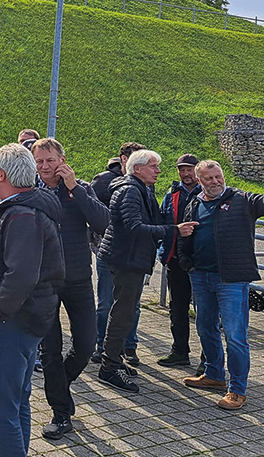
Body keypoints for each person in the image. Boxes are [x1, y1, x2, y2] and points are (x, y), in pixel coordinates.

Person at [0, 143, 64, 457]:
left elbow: (21, 275)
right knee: (15, 400)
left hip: (11, 323)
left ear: (2, 175)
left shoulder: (22, 214)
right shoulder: (23, 209)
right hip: (21, 320)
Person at [31, 138, 109, 441]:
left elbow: (103, 222)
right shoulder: (31, 191)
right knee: (50, 350)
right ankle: (61, 413)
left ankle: (59, 386)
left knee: (86, 345)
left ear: (62, 160)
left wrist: (75, 188)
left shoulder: (81, 189)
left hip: (78, 279)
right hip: (43, 283)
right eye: (39, 161)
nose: (45, 167)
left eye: (50, 160)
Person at [177, 160, 264, 410]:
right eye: (209, 178)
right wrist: (186, 261)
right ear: (199, 181)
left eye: (218, 176)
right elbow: (185, 235)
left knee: (235, 335)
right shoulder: (195, 203)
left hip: (232, 280)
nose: (215, 181)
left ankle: (237, 390)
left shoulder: (242, 200)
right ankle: (214, 375)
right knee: (205, 328)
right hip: (200, 276)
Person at [97, 149, 172, 393]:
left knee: (124, 312)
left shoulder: (142, 188)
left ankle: (115, 359)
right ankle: (109, 367)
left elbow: (153, 220)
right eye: (153, 166)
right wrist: (173, 230)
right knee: (122, 313)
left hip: (130, 259)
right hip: (126, 260)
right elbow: (135, 227)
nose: (158, 170)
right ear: (137, 168)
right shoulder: (130, 190)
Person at [90, 142, 145, 364]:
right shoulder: (103, 180)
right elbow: (91, 212)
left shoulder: (144, 183)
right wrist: (100, 239)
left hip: (133, 255)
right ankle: (102, 346)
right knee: (106, 302)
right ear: (124, 159)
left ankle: (129, 346)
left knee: (133, 304)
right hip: (108, 252)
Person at [157, 153, 201, 367]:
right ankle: (180, 352)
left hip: (201, 262)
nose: (185, 174)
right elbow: (162, 221)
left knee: (205, 312)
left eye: (189, 169)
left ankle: (208, 360)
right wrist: (163, 250)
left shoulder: (207, 192)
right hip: (175, 260)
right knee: (177, 308)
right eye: (181, 170)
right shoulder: (172, 193)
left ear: (197, 170)